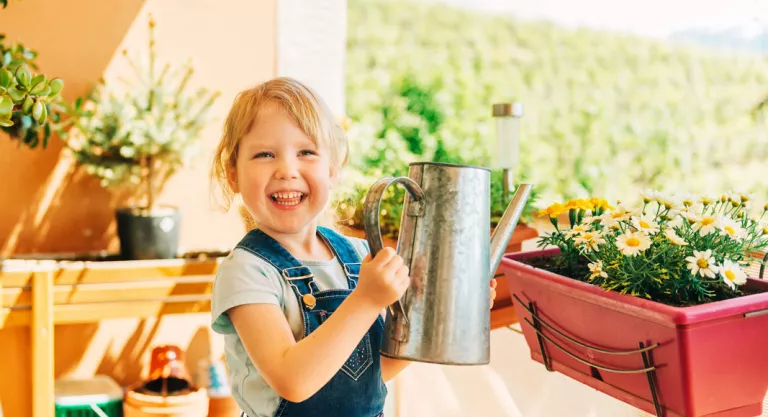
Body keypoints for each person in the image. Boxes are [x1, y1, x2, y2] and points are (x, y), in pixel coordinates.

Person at [209, 77, 498, 417]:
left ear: (332, 170)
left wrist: (455, 312)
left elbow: (373, 372)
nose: (287, 169)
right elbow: (293, 381)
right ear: (232, 174)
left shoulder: (359, 256)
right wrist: (366, 299)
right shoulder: (246, 272)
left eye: (306, 152)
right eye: (264, 154)